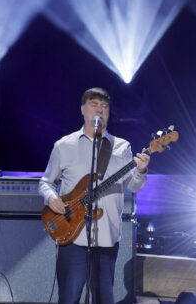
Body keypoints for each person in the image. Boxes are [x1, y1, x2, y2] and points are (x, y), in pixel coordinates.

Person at [39, 88, 150, 304]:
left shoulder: (121, 147)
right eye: (94, 104)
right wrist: (52, 198)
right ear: (83, 110)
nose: (100, 109)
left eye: (105, 106)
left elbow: (133, 186)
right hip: (72, 237)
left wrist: (141, 170)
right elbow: (45, 182)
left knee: (103, 299)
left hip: (107, 238)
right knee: (69, 298)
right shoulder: (64, 145)